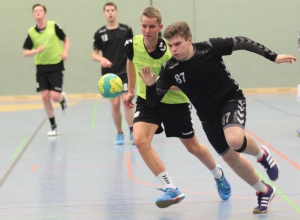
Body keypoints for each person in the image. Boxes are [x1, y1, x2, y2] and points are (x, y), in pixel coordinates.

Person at [140, 21, 297, 213]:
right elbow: (154, 102)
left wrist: (273, 56)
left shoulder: (210, 48)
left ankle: (261, 155)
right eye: (170, 45)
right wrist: (149, 86)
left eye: (178, 44)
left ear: (189, 40)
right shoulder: (169, 69)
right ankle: (264, 191)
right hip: (207, 116)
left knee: (235, 141)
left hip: (230, 99)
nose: (174, 49)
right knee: (231, 158)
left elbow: (243, 41)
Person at [123, 6, 231, 209]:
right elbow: (131, 62)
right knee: (139, 140)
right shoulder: (132, 45)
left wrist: (157, 84)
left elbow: (184, 82)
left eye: (152, 27)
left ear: (160, 27)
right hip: (147, 101)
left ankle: (218, 174)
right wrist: (130, 89)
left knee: (193, 147)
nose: (147, 31)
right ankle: (171, 187)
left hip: (174, 102)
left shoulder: (171, 52)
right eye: (144, 26)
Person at [23, 3, 69, 136]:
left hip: (56, 64)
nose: (38, 13)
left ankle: (62, 99)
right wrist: (36, 51)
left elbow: (66, 39)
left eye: (40, 10)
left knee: (54, 96)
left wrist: (65, 53)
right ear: (33, 15)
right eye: (35, 11)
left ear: (44, 13)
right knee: (44, 96)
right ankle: (54, 126)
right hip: (41, 67)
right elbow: (25, 52)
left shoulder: (53, 26)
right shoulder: (31, 32)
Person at [92, 2, 134, 145]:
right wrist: (102, 59)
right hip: (109, 75)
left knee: (126, 101)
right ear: (104, 13)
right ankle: (119, 133)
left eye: (112, 10)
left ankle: (132, 131)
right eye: (107, 10)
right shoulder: (99, 33)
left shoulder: (126, 30)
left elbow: (132, 50)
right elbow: (94, 54)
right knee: (115, 104)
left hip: (124, 71)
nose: (110, 13)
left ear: (116, 12)